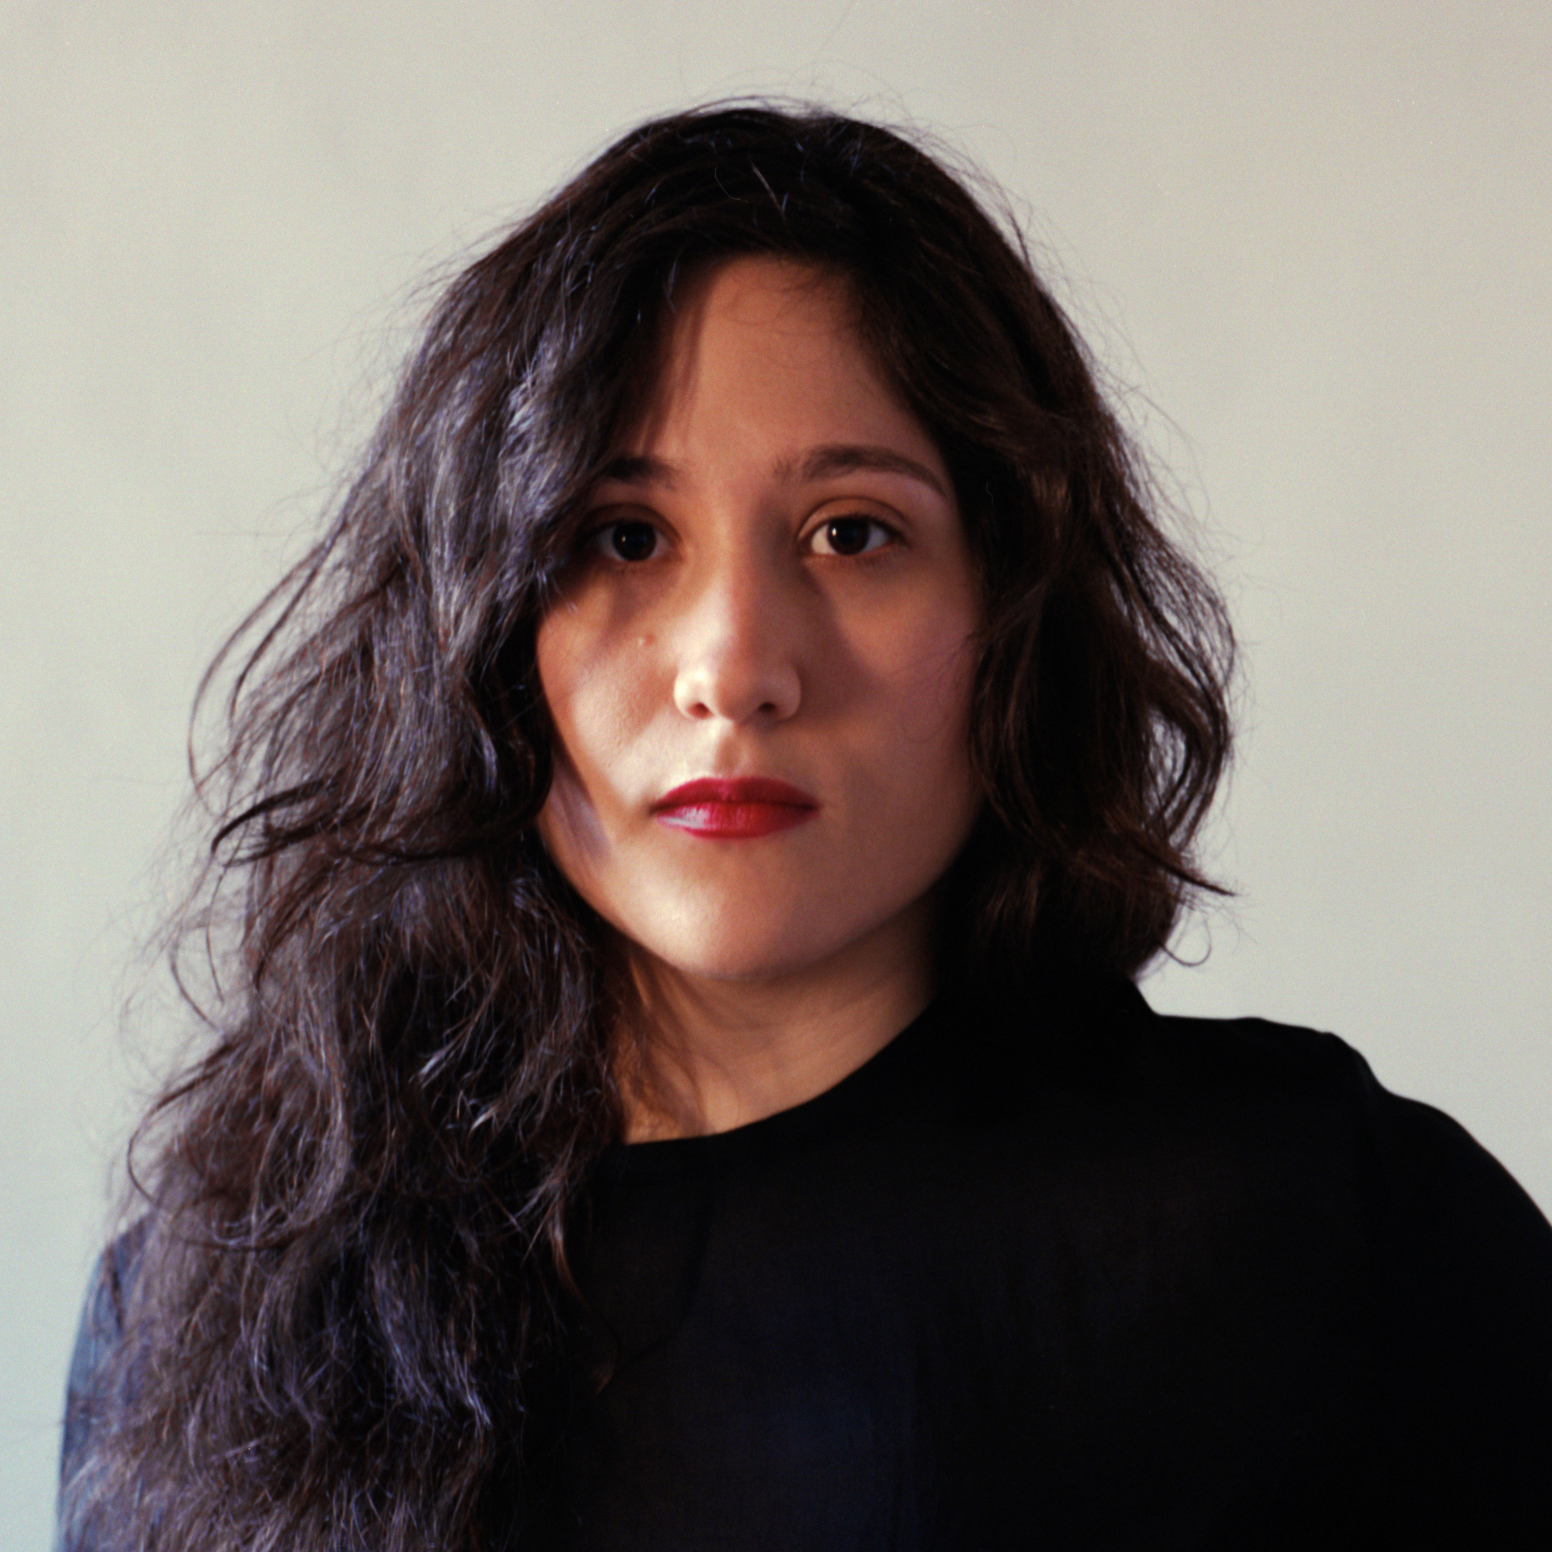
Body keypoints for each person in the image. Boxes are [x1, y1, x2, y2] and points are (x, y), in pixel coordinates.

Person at [58, 103, 1552, 1552]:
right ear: (479, 632)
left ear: (1012, 612)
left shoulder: (1325, 1226)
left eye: (853, 533)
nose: (735, 668)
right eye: (622, 538)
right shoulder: (203, 1301)